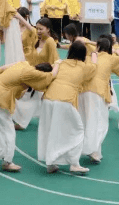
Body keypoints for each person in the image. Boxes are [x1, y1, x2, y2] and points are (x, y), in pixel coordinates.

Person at [0, 61, 55, 172]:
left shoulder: (24, 65)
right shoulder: (30, 73)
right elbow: (50, 76)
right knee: (8, 131)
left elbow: (18, 94)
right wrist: (58, 64)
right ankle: (7, 161)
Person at [38, 41, 96, 174]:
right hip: (64, 99)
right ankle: (74, 163)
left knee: (50, 129)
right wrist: (94, 52)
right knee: (78, 130)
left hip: (48, 98)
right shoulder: (83, 66)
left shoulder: (61, 63)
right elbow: (94, 67)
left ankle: (51, 162)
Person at [78, 37, 119, 163]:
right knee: (100, 123)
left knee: (84, 122)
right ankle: (92, 150)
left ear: (97, 46)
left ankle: (93, 151)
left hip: (82, 91)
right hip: (97, 93)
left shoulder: (89, 56)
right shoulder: (111, 58)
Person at [13, 17, 58, 130]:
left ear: (48, 29)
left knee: (31, 98)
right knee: (29, 98)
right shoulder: (36, 39)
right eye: (37, 28)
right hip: (34, 74)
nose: (38, 31)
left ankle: (22, 122)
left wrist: (51, 77)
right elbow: (28, 27)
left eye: (41, 29)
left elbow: (54, 61)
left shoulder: (50, 42)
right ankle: (23, 120)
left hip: (43, 76)